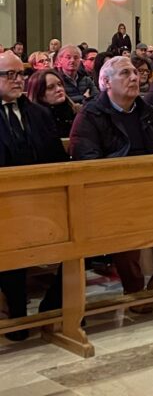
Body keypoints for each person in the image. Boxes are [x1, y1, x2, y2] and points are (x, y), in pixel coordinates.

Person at [69, 56, 153, 313]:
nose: (135, 78)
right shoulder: (91, 116)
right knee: (123, 220)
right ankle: (134, 287)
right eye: (125, 73)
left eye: (136, 73)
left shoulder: (150, 113)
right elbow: (87, 165)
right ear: (105, 82)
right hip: (113, 195)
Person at [0, 52, 68, 340]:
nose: (18, 80)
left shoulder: (38, 113)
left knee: (82, 233)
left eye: (21, 74)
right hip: (4, 204)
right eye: (10, 75)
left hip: (41, 199)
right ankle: (17, 314)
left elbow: (55, 156)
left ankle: (54, 306)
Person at [26, 69, 76, 138]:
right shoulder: (35, 121)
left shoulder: (74, 111)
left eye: (59, 84)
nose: (59, 89)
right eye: (50, 87)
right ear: (39, 94)